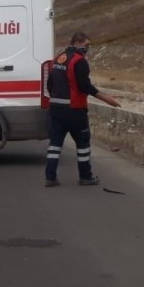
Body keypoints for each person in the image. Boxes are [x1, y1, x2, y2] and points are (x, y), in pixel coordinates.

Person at [45, 32, 121, 187]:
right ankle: (86, 177)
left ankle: (50, 177)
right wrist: (106, 98)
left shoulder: (58, 58)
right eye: (86, 45)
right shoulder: (79, 61)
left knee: (55, 144)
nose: (88, 48)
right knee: (83, 144)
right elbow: (84, 86)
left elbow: (49, 83)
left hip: (56, 109)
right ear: (77, 43)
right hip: (75, 110)